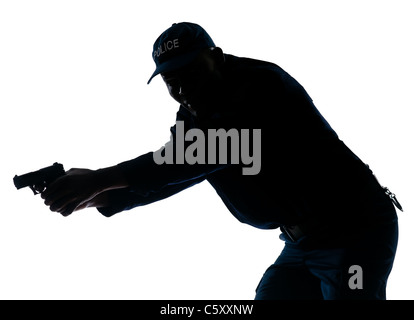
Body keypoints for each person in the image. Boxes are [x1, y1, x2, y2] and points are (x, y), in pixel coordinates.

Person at [41, 22, 401, 300]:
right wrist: (101, 198)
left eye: (192, 72)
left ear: (217, 56)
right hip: (301, 246)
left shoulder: (261, 88)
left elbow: (195, 159)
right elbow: (178, 174)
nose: (183, 89)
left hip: (357, 234)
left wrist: (100, 179)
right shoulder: (193, 116)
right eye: (171, 80)